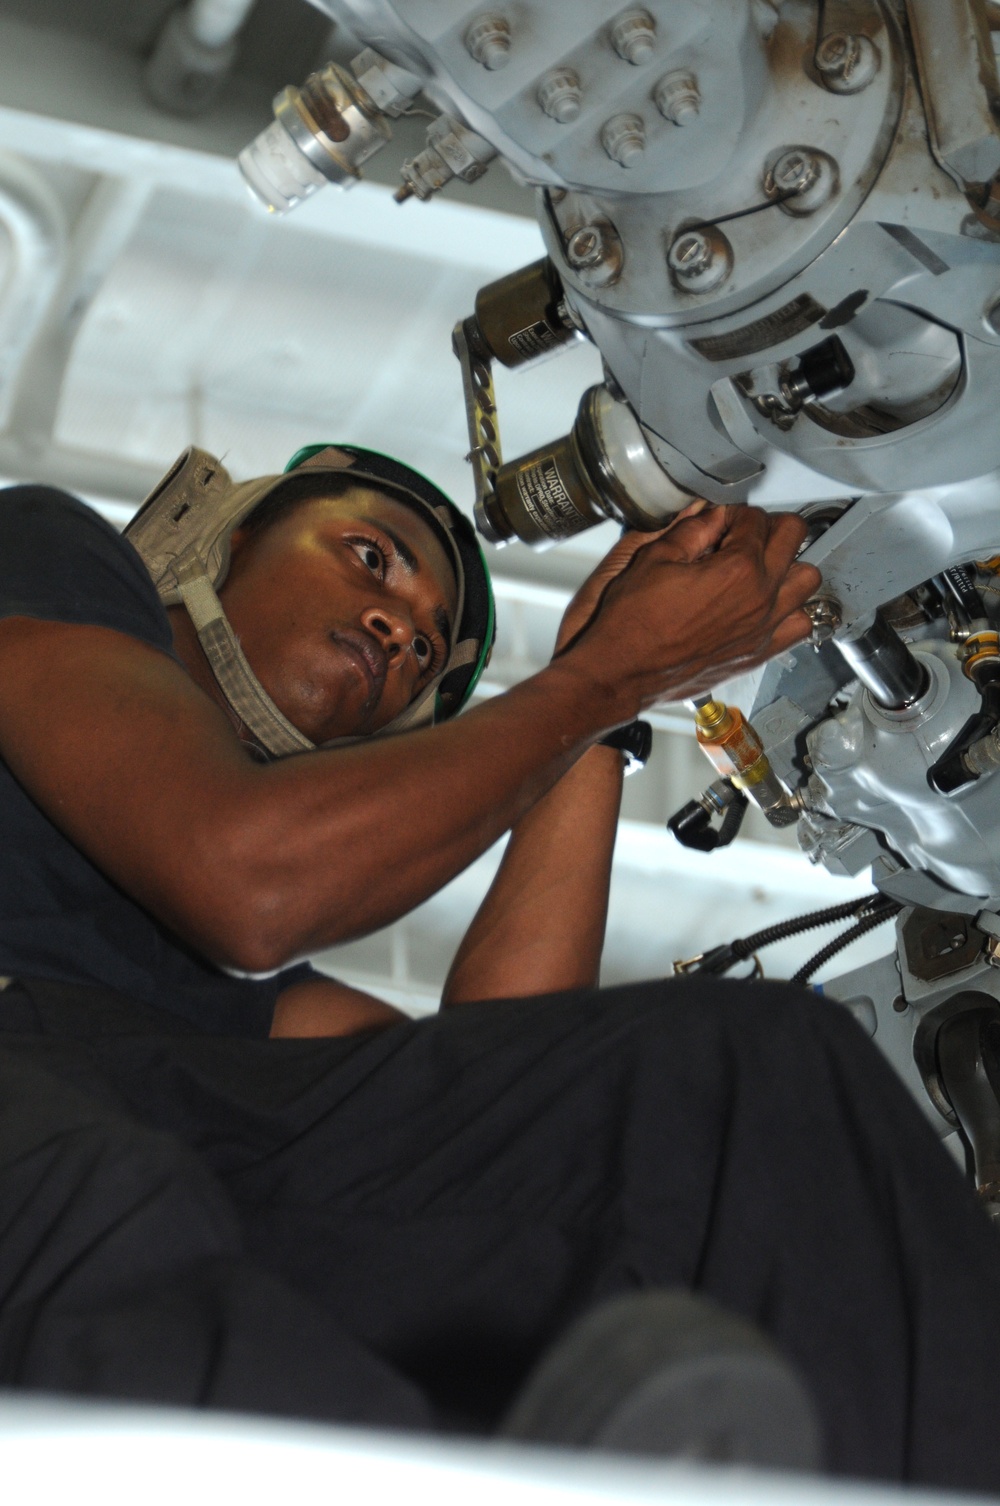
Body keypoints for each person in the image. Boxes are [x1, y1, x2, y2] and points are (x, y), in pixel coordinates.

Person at [0, 442, 998, 1490]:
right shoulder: (55, 560)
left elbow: (514, 1103)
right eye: (369, 558)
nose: (398, 632)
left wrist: (604, 713)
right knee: (121, 1202)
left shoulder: (205, 1012)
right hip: (50, 1128)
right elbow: (249, 879)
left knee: (742, 1071)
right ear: (231, 541)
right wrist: (603, 676)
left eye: (427, 656)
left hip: (128, 1116)